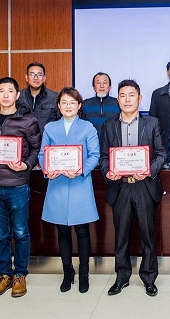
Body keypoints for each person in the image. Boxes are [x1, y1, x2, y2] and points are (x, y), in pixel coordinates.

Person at [0, 77, 41, 298]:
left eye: (10, 91)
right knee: (0, 233)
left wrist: (26, 164)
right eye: (1, 91)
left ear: (17, 94)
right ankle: (4, 274)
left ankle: (20, 274)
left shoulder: (28, 120)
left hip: (17, 184)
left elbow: (37, 148)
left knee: (20, 232)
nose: (5, 95)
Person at [99, 79, 167, 297]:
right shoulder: (108, 126)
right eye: (122, 95)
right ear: (117, 99)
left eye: (131, 95)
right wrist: (108, 172)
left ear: (140, 98)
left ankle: (149, 278)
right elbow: (103, 157)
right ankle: (122, 277)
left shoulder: (152, 123)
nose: (127, 100)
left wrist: (148, 170)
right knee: (121, 236)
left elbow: (161, 154)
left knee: (148, 235)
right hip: (120, 187)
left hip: (145, 186)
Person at [38, 87, 100, 293]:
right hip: (57, 185)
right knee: (62, 231)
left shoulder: (88, 127)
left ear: (79, 105)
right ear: (58, 105)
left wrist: (80, 170)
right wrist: (47, 169)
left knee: (82, 231)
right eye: (64, 102)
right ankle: (67, 272)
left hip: (80, 184)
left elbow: (95, 155)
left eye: (72, 103)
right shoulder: (50, 128)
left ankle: (84, 273)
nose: (68, 106)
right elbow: (42, 155)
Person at [17, 62, 59, 133]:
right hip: (24, 138)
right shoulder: (18, 97)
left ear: (44, 78)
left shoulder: (55, 97)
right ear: (26, 77)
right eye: (32, 74)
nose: (36, 78)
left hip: (46, 139)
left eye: (39, 75)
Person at [82, 72, 120, 136]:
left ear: (110, 87)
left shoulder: (118, 103)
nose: (101, 86)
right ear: (94, 87)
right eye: (98, 83)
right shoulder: (85, 104)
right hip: (91, 141)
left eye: (105, 83)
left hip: (111, 141)